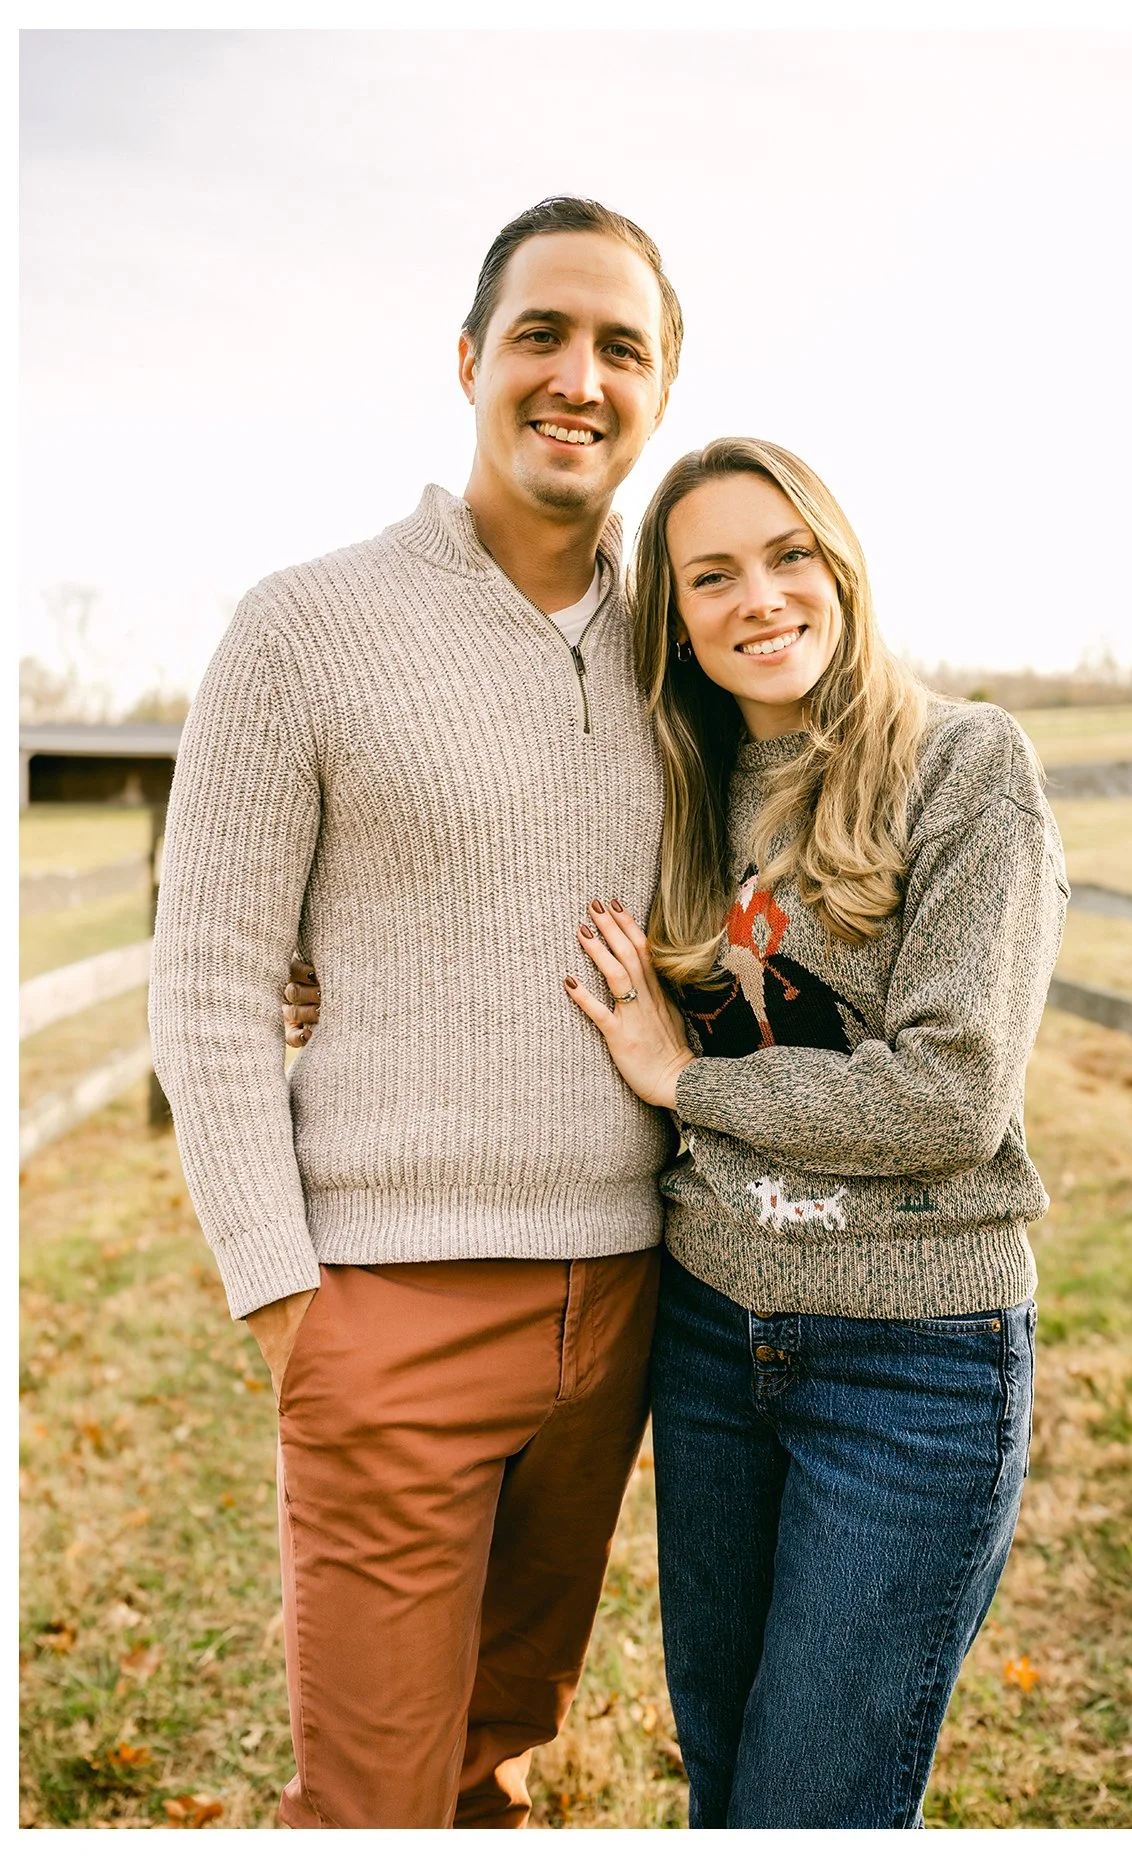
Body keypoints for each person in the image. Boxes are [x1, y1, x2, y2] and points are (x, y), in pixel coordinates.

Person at [148, 197, 684, 1830]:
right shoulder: (304, 626)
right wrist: (283, 1299)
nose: (576, 376)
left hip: (628, 1304)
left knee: (490, 1741)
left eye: (619, 346)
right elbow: (213, 972)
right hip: (388, 1301)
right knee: (373, 1794)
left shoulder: (687, 654)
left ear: (661, 388)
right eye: (540, 333)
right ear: (468, 359)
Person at [560, 438, 1069, 1828]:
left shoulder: (965, 765)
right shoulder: (675, 789)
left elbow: (949, 1096)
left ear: (839, 566)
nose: (758, 597)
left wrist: (689, 1083)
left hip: (910, 1366)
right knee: (725, 1775)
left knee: (811, 1802)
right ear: (673, 618)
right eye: (710, 573)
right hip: (713, 1342)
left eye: (786, 554)